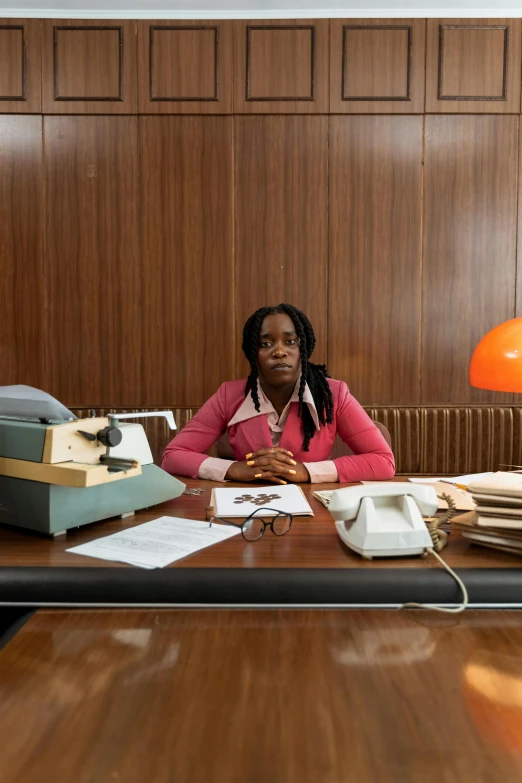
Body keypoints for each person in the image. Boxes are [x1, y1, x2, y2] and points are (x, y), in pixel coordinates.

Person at [162, 304, 395, 484]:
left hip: (313, 512)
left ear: (302, 349)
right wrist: (234, 469)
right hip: (248, 511)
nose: (279, 352)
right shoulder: (228, 395)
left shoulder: (334, 394)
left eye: (290, 342)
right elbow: (173, 455)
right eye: (265, 344)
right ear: (253, 353)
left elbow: (383, 461)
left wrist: (306, 471)